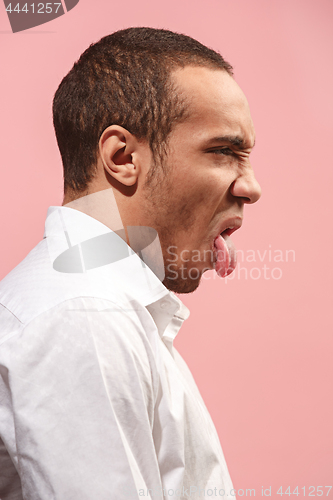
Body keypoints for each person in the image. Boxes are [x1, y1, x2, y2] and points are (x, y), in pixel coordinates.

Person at [0, 27, 261, 499]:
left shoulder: (100, 303)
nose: (251, 187)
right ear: (122, 157)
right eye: (224, 151)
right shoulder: (84, 314)